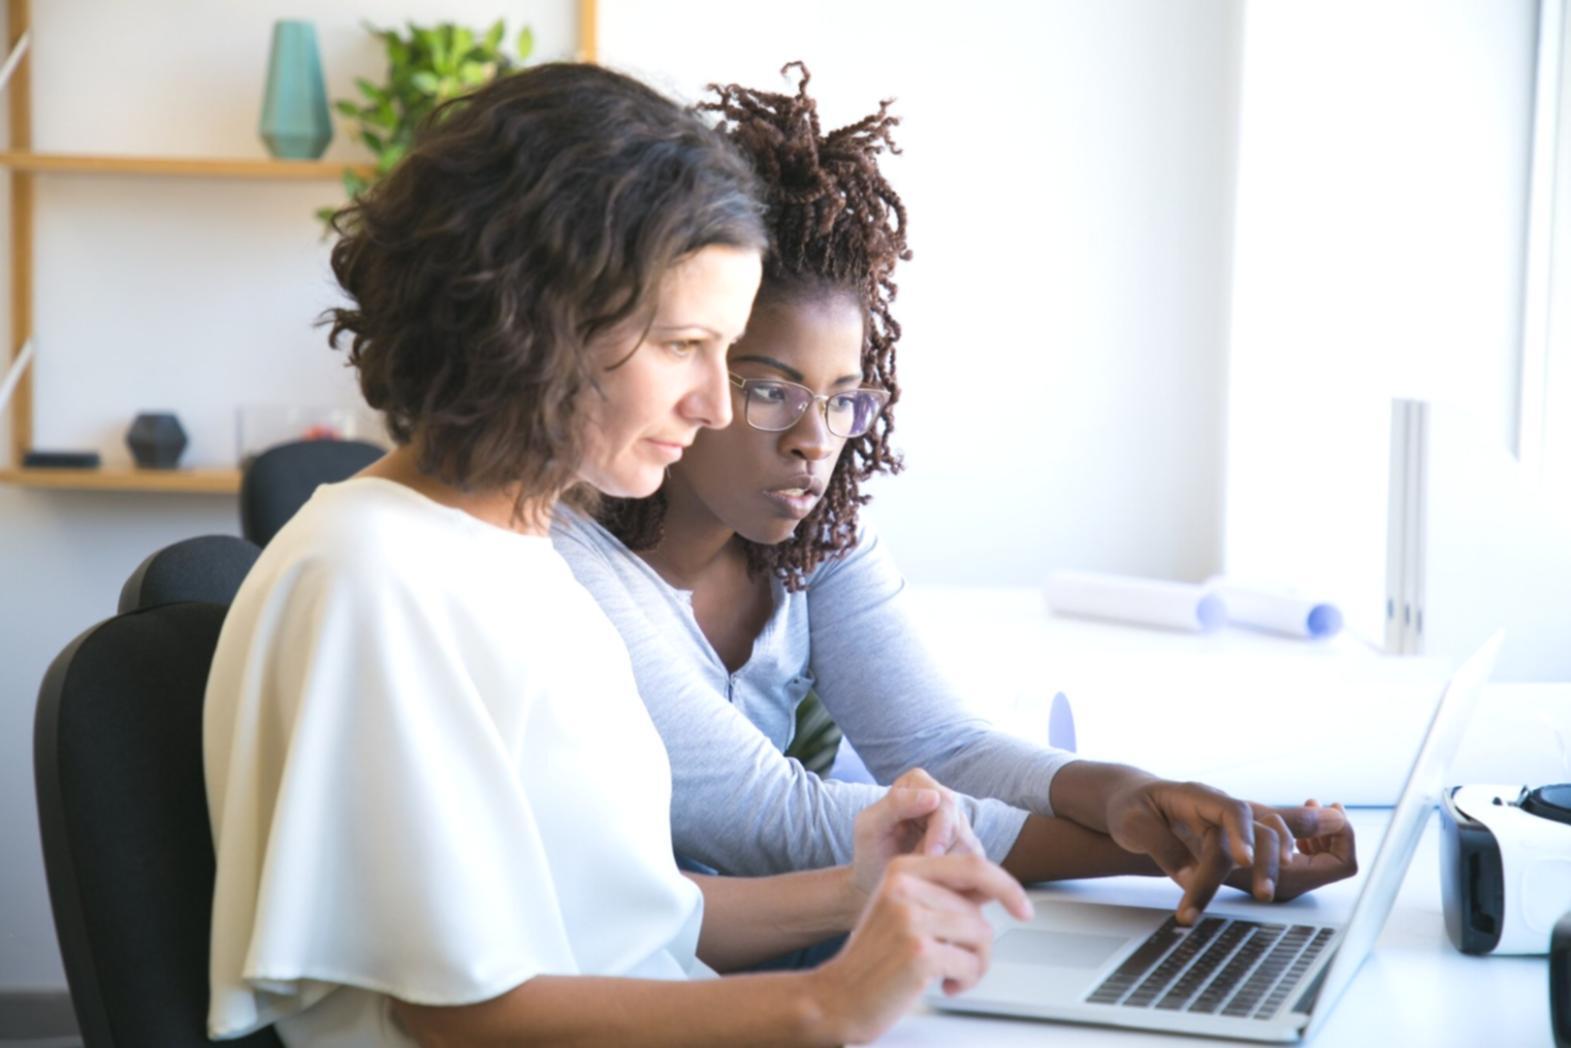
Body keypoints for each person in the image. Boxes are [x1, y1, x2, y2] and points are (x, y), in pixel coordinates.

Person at [203, 63, 1032, 1047]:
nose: (715, 405)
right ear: (542, 319)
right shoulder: (374, 581)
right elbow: (461, 1013)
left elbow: (638, 920)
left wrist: (863, 885)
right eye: (684, 345)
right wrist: (828, 1003)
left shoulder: (522, 554)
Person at [552, 64, 1357, 934]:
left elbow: (942, 749)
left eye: (842, 399)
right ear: (685, 357)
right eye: (772, 390)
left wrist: (1134, 792)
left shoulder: (814, 537)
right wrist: (1166, 851)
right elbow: (767, 819)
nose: (814, 441)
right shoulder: (560, 555)